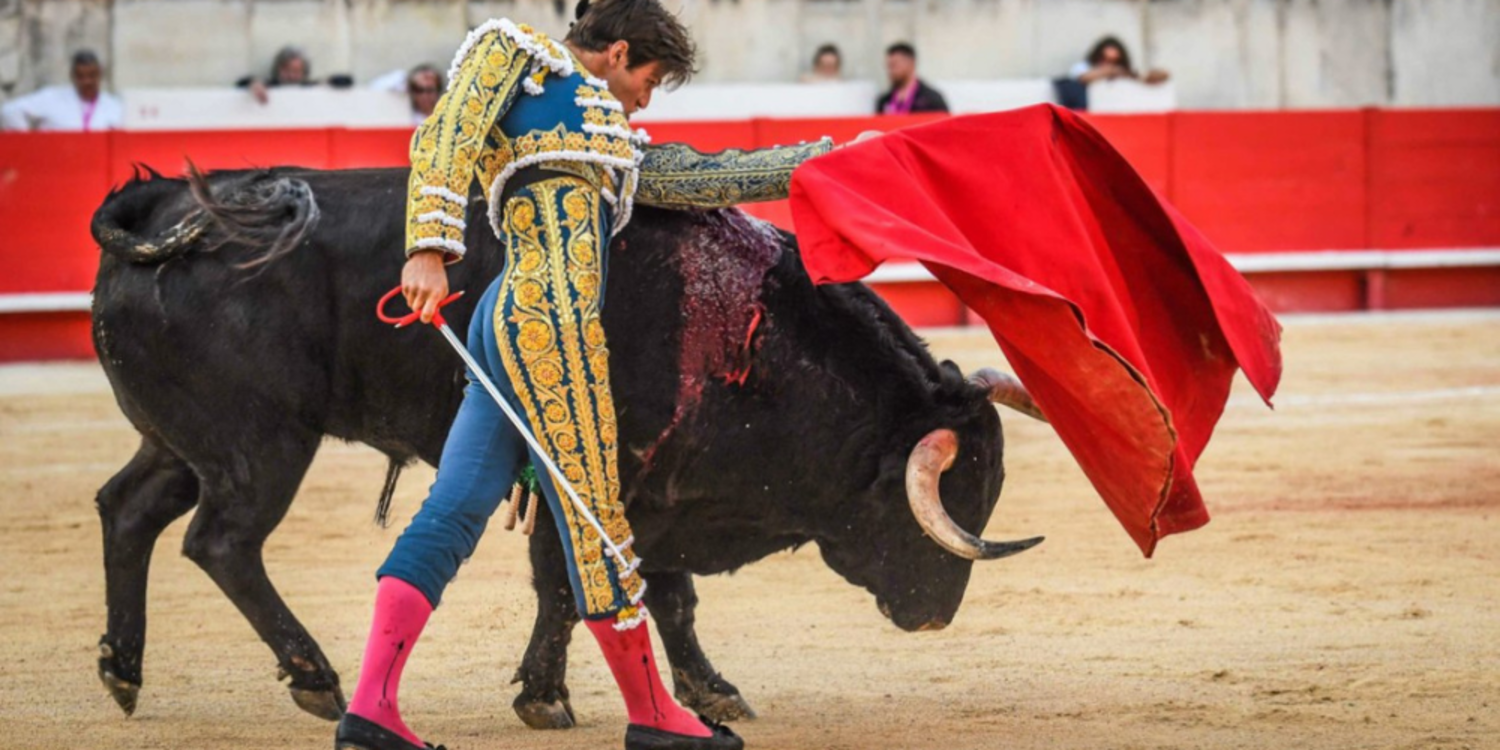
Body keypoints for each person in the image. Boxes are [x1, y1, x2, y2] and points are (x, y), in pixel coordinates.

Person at [334, 2, 874, 749]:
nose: (647, 99)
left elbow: (707, 176)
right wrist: (428, 246)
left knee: (457, 504)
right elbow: (448, 132)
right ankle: (655, 716)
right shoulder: (512, 49)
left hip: (513, 317)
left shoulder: (614, 138)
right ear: (617, 51)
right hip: (549, 315)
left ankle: (372, 708)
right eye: (648, 79)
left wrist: (837, 157)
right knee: (597, 524)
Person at [0, 50, 122, 132]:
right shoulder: (52, 97)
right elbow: (9, 111)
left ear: (100, 75)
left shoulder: (113, 105)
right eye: (81, 76)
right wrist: (29, 142)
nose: (87, 82)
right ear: (72, 76)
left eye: (92, 76)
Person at [876, 42, 947, 115]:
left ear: (911, 63)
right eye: (889, 66)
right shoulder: (884, 100)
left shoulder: (931, 99)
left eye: (894, 65)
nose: (891, 71)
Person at [1068, 36, 1169, 86]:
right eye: (1105, 59)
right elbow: (1083, 78)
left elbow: (1160, 75)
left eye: (1113, 61)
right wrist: (1111, 71)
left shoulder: (1125, 72)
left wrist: (1130, 74)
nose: (1108, 64)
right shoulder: (1083, 67)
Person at [238, 45, 321, 104]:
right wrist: (254, 84)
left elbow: (330, 81)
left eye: (296, 71)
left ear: (304, 73)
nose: (291, 76)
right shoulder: (270, 86)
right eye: (286, 70)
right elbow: (242, 82)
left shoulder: (311, 88)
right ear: (277, 70)